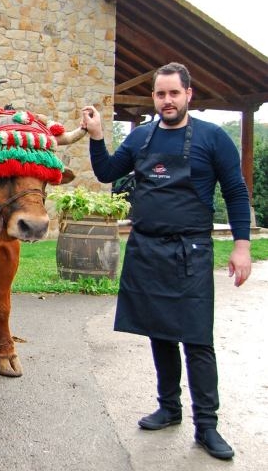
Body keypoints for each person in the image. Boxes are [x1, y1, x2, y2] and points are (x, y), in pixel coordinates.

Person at [81, 62, 251, 460]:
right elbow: (107, 172)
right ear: (154, 97)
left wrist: (241, 246)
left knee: (196, 339)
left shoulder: (212, 139)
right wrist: (97, 136)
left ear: (189, 94)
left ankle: (207, 426)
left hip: (190, 251)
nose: (167, 100)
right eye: (160, 94)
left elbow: (237, 193)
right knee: (159, 332)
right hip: (146, 248)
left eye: (174, 93)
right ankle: (169, 407)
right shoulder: (141, 137)